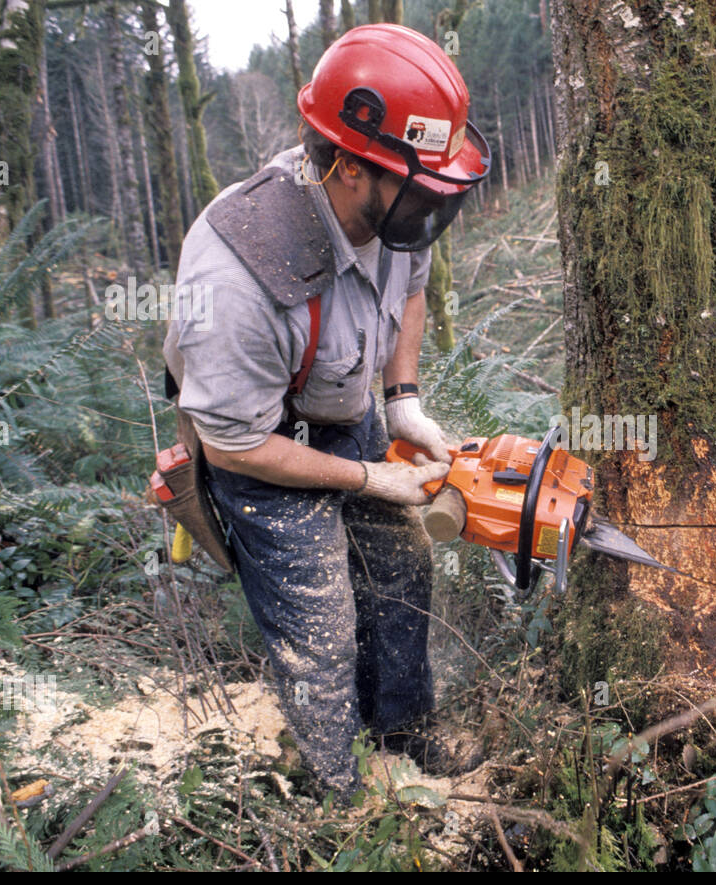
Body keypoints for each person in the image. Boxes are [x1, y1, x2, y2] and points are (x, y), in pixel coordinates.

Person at [162, 24, 491, 804]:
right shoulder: (237, 277)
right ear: (347, 165)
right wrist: (366, 476)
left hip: (342, 401)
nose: (429, 208)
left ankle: (404, 730)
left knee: (403, 563)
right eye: (418, 192)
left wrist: (401, 400)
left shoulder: (397, 207)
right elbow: (236, 444)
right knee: (320, 617)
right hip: (259, 440)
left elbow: (410, 284)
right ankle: (335, 786)